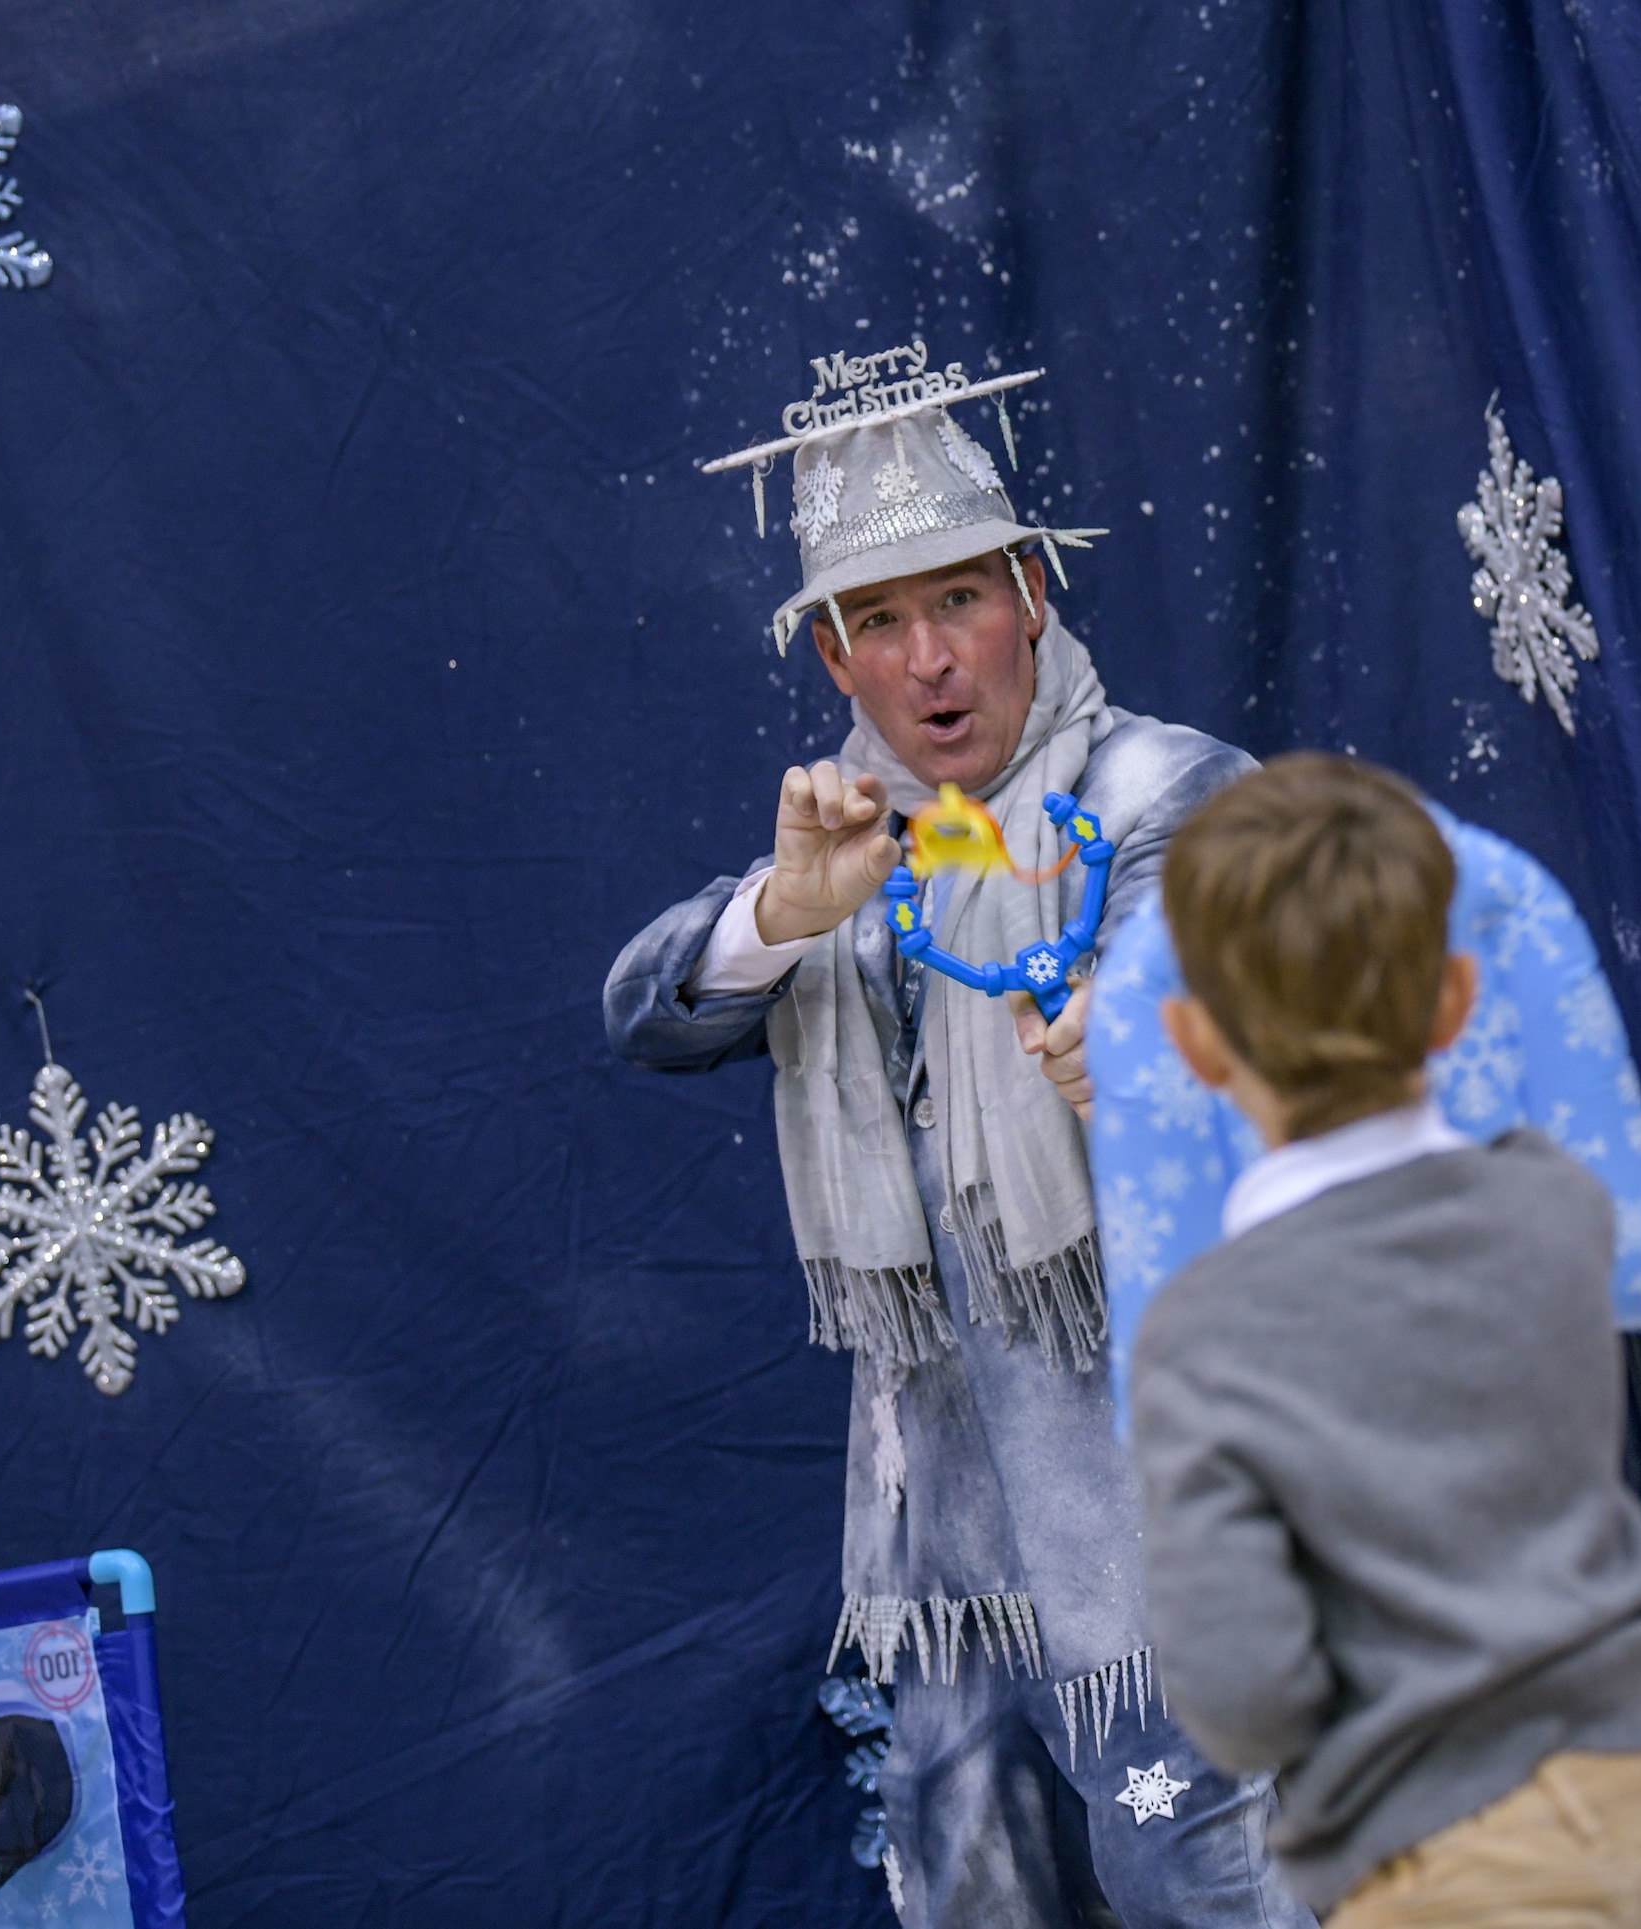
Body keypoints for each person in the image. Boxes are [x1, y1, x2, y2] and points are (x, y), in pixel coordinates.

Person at [606, 344, 1309, 1929]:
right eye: (880, 623)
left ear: (1035, 595)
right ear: (835, 665)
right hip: (953, 1560)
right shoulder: (852, 851)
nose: (932, 658)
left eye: (962, 601)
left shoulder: (1159, 789)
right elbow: (647, 1012)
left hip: (1154, 1538)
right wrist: (789, 910)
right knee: (977, 1889)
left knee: (1190, 1872)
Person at [1131, 752, 1641, 1927]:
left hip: (1432, 1869)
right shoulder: (1556, 1210)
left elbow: (1243, 1695)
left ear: (1195, 1047)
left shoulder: (1201, 1335)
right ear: (1456, 1004)